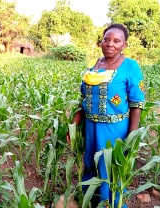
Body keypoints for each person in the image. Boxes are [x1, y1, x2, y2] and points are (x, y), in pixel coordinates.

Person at [67, 23, 145, 207]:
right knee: (90, 164)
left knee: (109, 169)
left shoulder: (130, 67)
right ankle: (89, 201)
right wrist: (73, 127)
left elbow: (137, 103)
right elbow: (83, 100)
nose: (110, 44)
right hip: (91, 128)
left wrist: (132, 136)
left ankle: (109, 204)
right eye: (106, 39)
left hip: (114, 130)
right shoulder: (95, 66)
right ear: (101, 42)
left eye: (117, 41)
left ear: (124, 45)